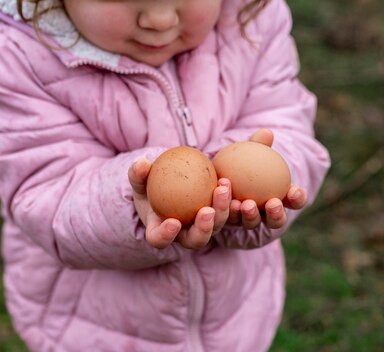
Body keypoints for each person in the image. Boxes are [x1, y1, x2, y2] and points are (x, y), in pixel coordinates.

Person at [0, 0, 330, 350]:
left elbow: (286, 121)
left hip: (233, 314)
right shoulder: (21, 59)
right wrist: (133, 202)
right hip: (95, 324)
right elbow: (43, 192)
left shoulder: (251, 19)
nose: (159, 20)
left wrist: (251, 178)